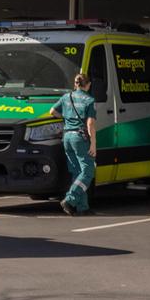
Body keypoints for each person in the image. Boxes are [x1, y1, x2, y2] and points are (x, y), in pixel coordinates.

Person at [49, 73, 97, 216]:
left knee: (77, 172)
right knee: (88, 171)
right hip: (80, 138)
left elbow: (52, 111)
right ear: (88, 85)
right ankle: (70, 200)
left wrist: (66, 117)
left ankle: (82, 207)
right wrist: (93, 143)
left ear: (76, 84)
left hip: (67, 137)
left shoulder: (66, 97)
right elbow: (90, 124)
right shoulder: (89, 100)